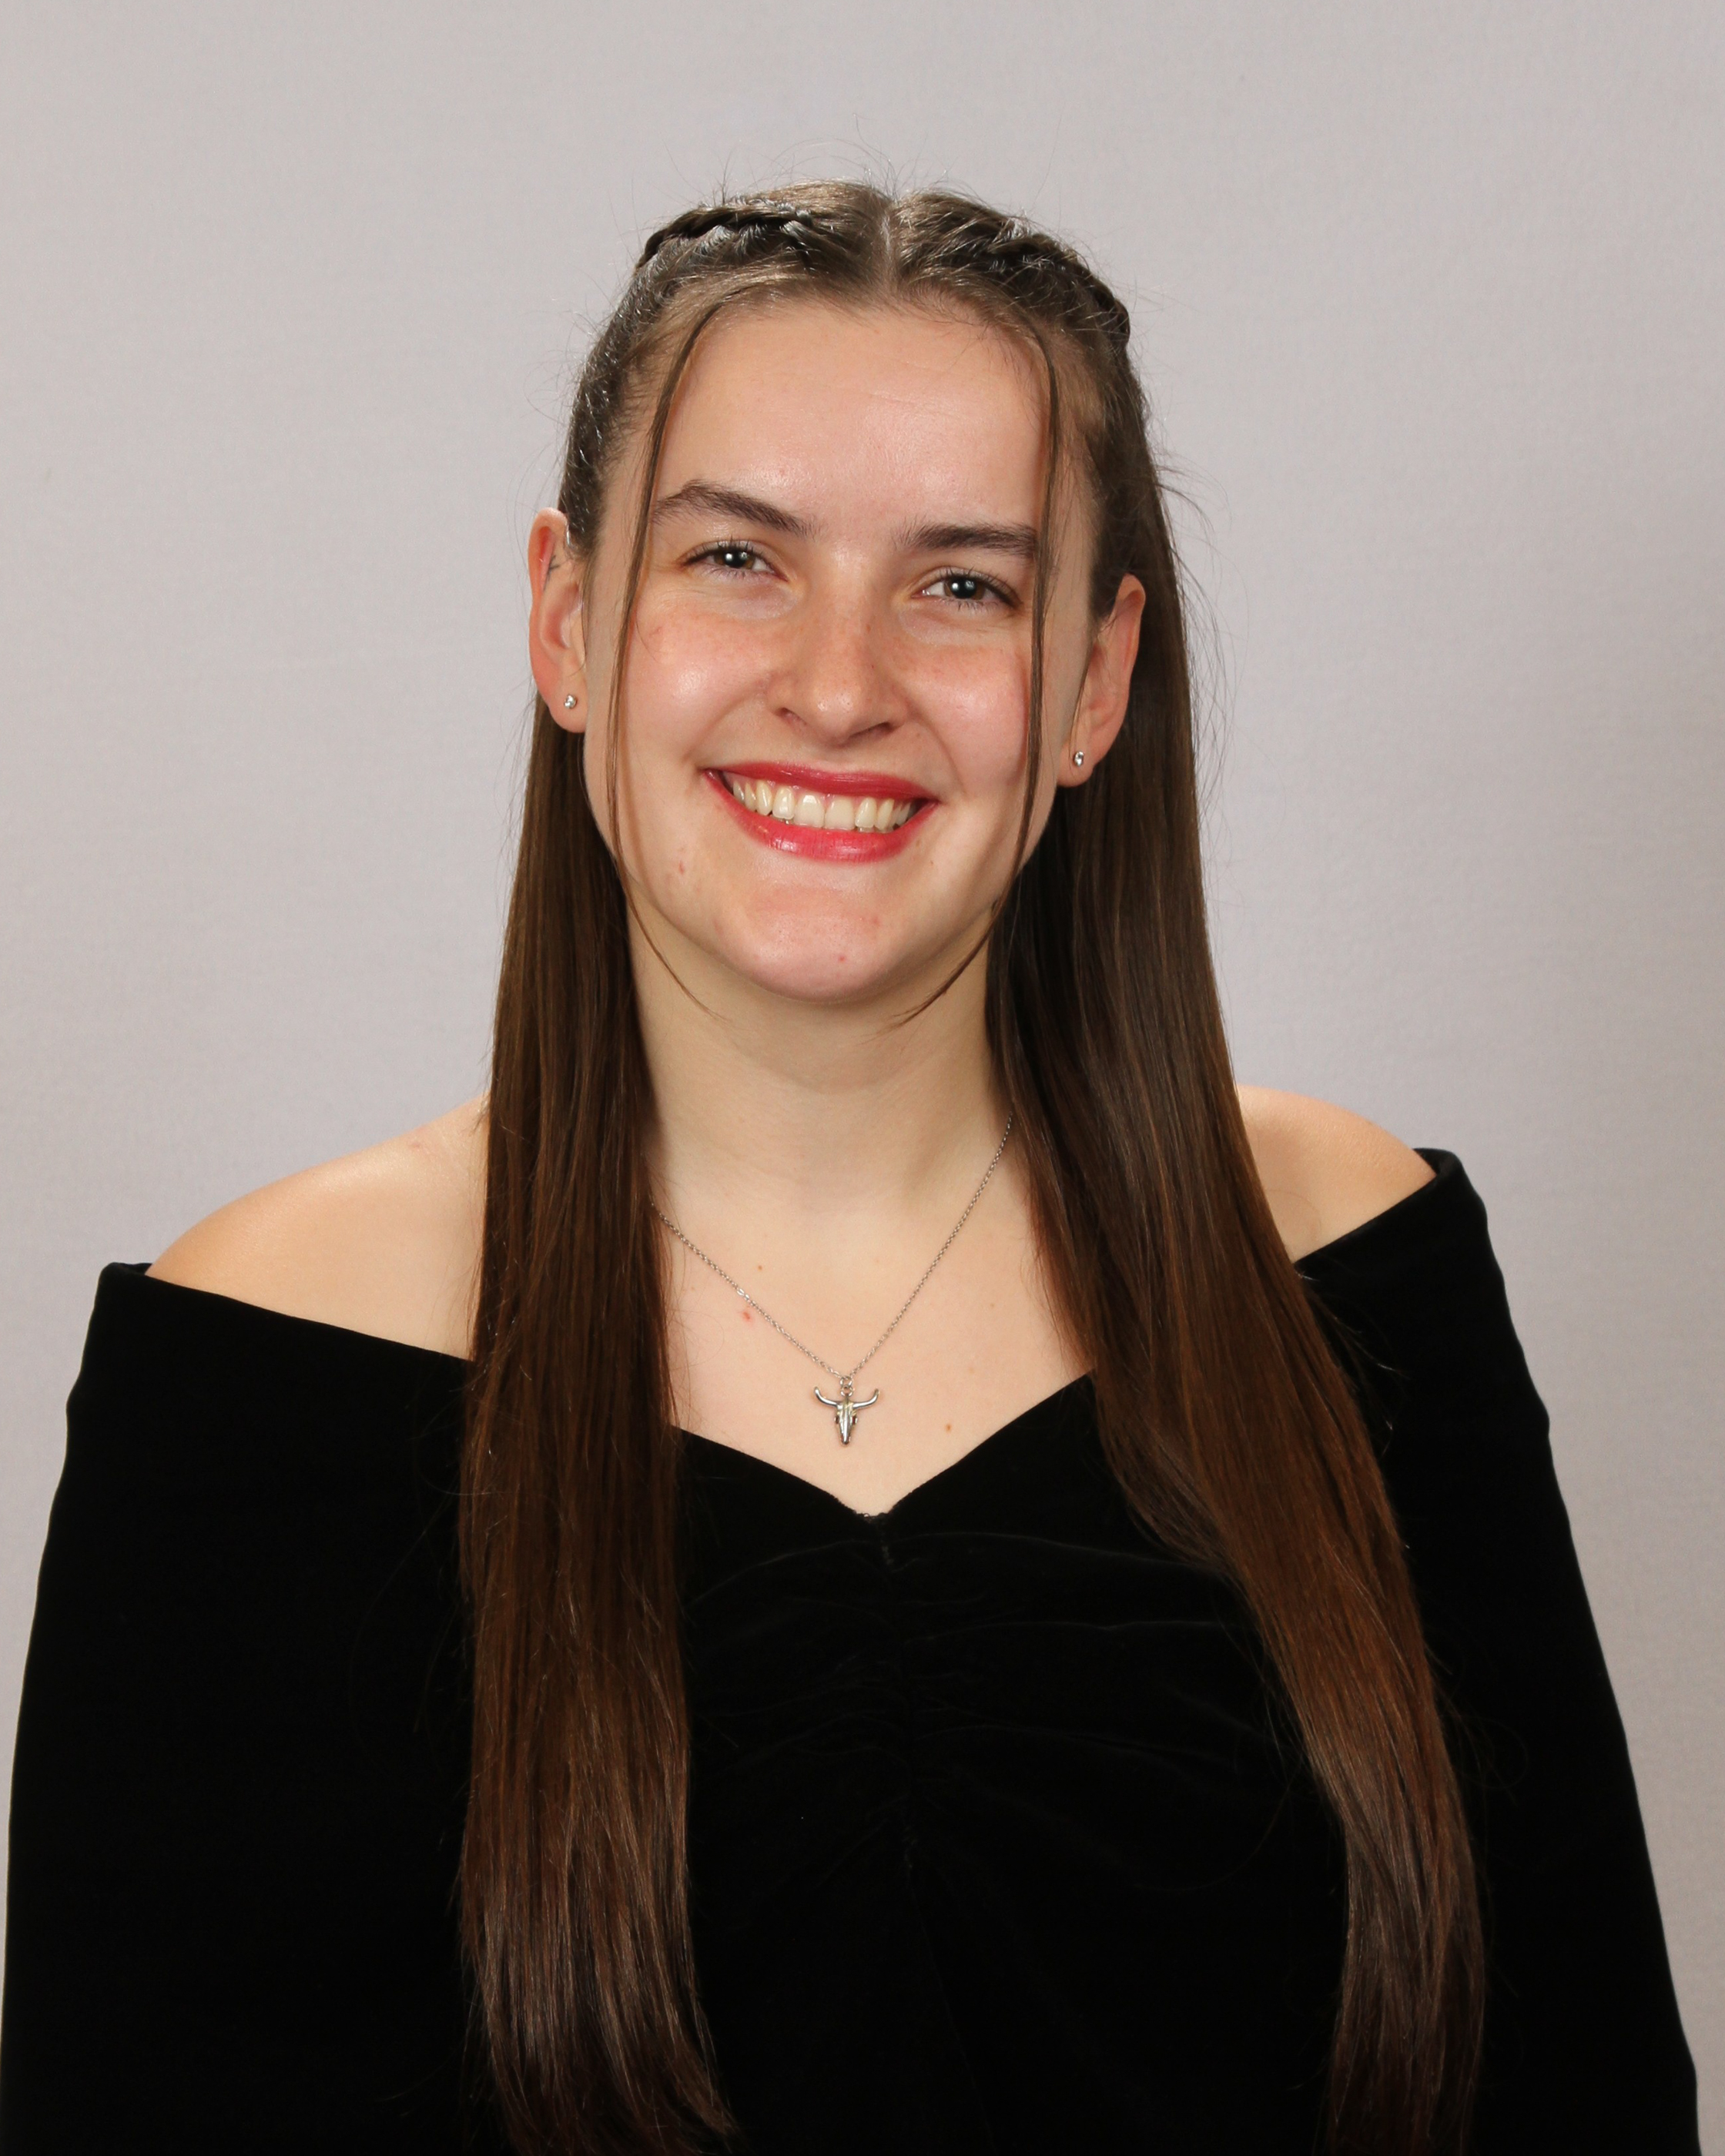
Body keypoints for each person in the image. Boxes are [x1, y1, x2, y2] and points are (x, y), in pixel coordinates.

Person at [0, 183, 1699, 2156]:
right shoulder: (261, 1357)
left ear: (1094, 678)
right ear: (568, 620)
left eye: (960, 583)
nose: (836, 681)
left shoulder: (1348, 1266)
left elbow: (1582, 2094)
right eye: (737, 557)